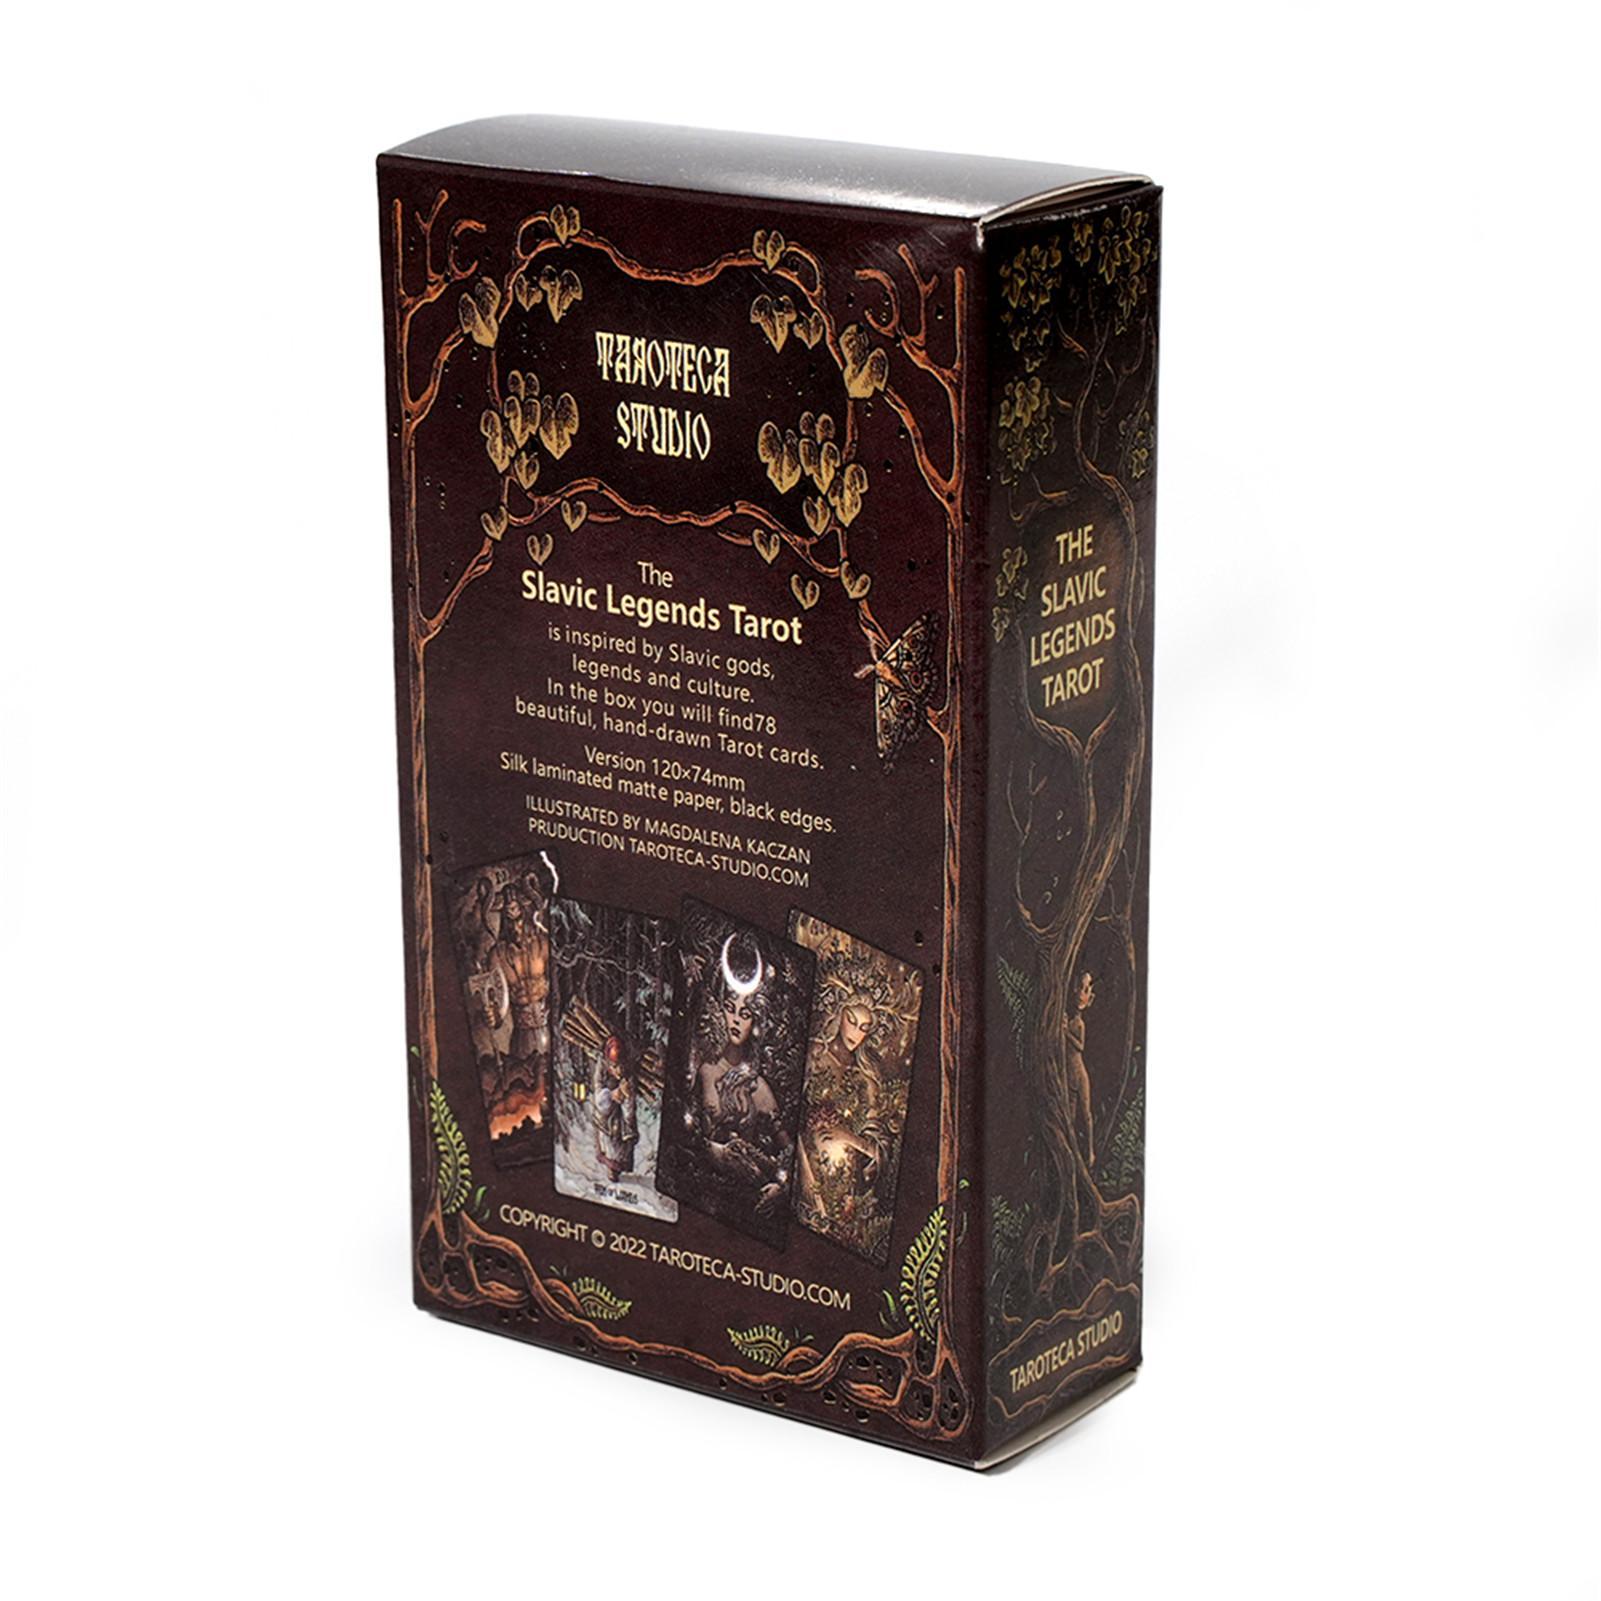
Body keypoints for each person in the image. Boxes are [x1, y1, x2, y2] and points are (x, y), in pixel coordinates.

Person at [1064, 970, 1096, 1166]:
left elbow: (1081, 1046)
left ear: (1089, 998)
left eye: (1086, 990)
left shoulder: (1079, 1024)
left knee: (1086, 1114)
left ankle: (1090, 1152)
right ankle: (1073, 1150)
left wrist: (1066, 1033)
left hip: (1079, 1073)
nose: (1081, 994)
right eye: (1080, 988)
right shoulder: (1069, 1020)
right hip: (1069, 1074)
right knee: (1072, 1114)